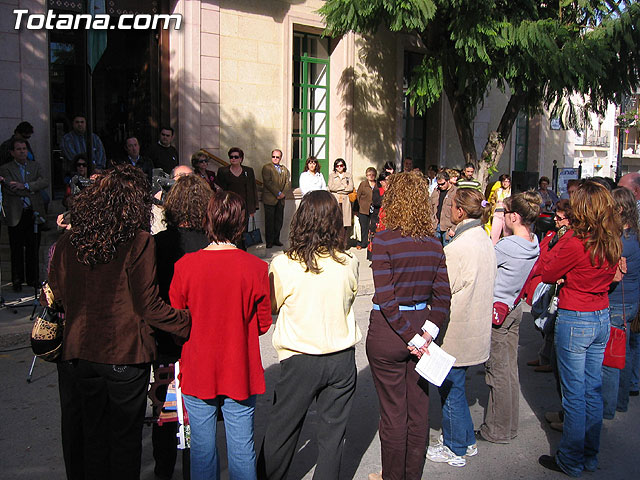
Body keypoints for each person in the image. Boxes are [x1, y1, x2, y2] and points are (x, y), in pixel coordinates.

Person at [48, 165, 191, 480]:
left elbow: (56, 294)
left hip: (79, 351)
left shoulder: (68, 241)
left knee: (94, 436)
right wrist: (185, 322)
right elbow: (148, 305)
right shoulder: (139, 242)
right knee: (124, 441)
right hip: (123, 353)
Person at [258, 190, 360, 480]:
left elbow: (272, 305)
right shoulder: (349, 261)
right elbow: (349, 299)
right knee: (332, 438)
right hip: (341, 358)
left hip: (300, 358)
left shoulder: (284, 264)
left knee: (283, 430)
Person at [170, 190, 272, 480]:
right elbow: (263, 323)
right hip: (239, 368)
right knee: (241, 448)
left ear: (209, 220)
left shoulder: (184, 266)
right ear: (240, 224)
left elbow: (178, 323)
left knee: (202, 451)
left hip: (198, 367)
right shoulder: (256, 268)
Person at [366, 172, 451, 480]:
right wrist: (427, 333)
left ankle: (392, 476)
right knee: (418, 411)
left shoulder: (384, 240)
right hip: (420, 329)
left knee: (393, 413)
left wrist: (414, 336)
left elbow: (387, 300)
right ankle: (410, 475)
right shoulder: (433, 243)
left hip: (391, 333)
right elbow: (443, 298)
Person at [537, 180, 622, 476]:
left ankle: (571, 459)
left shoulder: (576, 241)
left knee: (574, 395)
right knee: (591, 391)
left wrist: (556, 241)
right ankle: (588, 456)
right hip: (600, 313)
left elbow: (547, 272)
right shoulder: (612, 238)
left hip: (577, 316)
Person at [427, 188, 496, 468]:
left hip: (458, 329)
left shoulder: (457, 248)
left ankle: (455, 447)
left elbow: (442, 290)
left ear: (459, 211)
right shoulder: (483, 238)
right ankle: (466, 439)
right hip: (476, 327)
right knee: (457, 388)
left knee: (451, 389)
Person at [152, 174, 213, 480]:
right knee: (200, 415)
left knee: (166, 411)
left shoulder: (159, 243)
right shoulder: (214, 245)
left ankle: (163, 470)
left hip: (166, 340)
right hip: (203, 341)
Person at [478, 191, 540, 444]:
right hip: (513, 307)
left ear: (514, 216)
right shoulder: (532, 242)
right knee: (509, 370)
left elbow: (486, 264)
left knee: (498, 373)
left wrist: (495, 233)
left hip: (498, 310)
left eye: (504, 214)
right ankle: (508, 424)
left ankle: (499, 429)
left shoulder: (507, 246)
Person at [601, 188, 640, 419]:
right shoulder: (634, 235)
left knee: (612, 360)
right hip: (630, 301)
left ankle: (607, 407)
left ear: (620, 209)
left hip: (617, 303)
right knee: (624, 355)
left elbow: (612, 274)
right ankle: (620, 402)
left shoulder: (622, 242)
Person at [0, 138, 48, 291]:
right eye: (19, 149)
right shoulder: (5, 168)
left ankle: (32, 279)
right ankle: (17, 280)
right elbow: (8, 186)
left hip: (33, 212)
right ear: (12, 152)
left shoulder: (35, 166)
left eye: (24, 149)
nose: (22, 151)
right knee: (16, 248)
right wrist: (27, 188)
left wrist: (25, 185)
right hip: (16, 213)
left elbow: (44, 181)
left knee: (33, 247)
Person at [216, 147, 258, 217]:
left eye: (236, 157)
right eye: (231, 157)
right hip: (229, 206)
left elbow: (253, 188)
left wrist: (252, 209)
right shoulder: (223, 171)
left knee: (244, 227)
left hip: (244, 207)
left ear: (241, 159)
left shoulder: (248, 171)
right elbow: (219, 189)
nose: (233, 159)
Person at [261, 149, 291, 248]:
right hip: (270, 198)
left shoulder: (285, 169)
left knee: (279, 220)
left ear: (280, 158)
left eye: (277, 157)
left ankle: (276, 239)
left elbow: (287, 183)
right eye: (273, 156)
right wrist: (277, 193)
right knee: (269, 221)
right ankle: (269, 241)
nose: (275, 159)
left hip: (281, 200)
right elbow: (267, 182)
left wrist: (283, 193)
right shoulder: (267, 168)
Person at [430, 170, 457, 246]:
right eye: (439, 184)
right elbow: (430, 208)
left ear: (448, 181)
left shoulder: (456, 192)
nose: (440, 186)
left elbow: (459, 211)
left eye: (442, 184)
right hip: (435, 226)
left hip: (448, 227)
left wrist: (453, 228)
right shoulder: (436, 191)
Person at [328, 158, 354, 228]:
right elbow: (331, 187)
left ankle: (344, 238)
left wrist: (337, 190)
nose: (339, 167)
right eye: (337, 166)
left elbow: (350, 188)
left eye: (341, 165)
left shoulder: (348, 175)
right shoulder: (332, 176)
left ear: (344, 166)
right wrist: (343, 187)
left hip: (346, 201)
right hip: (335, 200)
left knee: (345, 222)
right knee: (335, 220)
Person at [356, 167, 377, 250]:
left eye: (372, 175)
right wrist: (357, 208)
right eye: (369, 175)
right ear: (366, 175)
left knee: (373, 227)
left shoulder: (377, 184)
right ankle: (361, 243)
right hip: (364, 208)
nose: (371, 176)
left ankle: (372, 243)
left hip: (374, 208)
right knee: (363, 227)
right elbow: (358, 196)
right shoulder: (363, 184)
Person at [489, 174, 512, 245]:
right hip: (497, 214)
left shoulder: (511, 192)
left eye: (507, 181)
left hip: (507, 215)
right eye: (504, 181)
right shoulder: (498, 191)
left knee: (507, 233)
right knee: (494, 233)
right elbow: (492, 200)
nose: (505, 183)